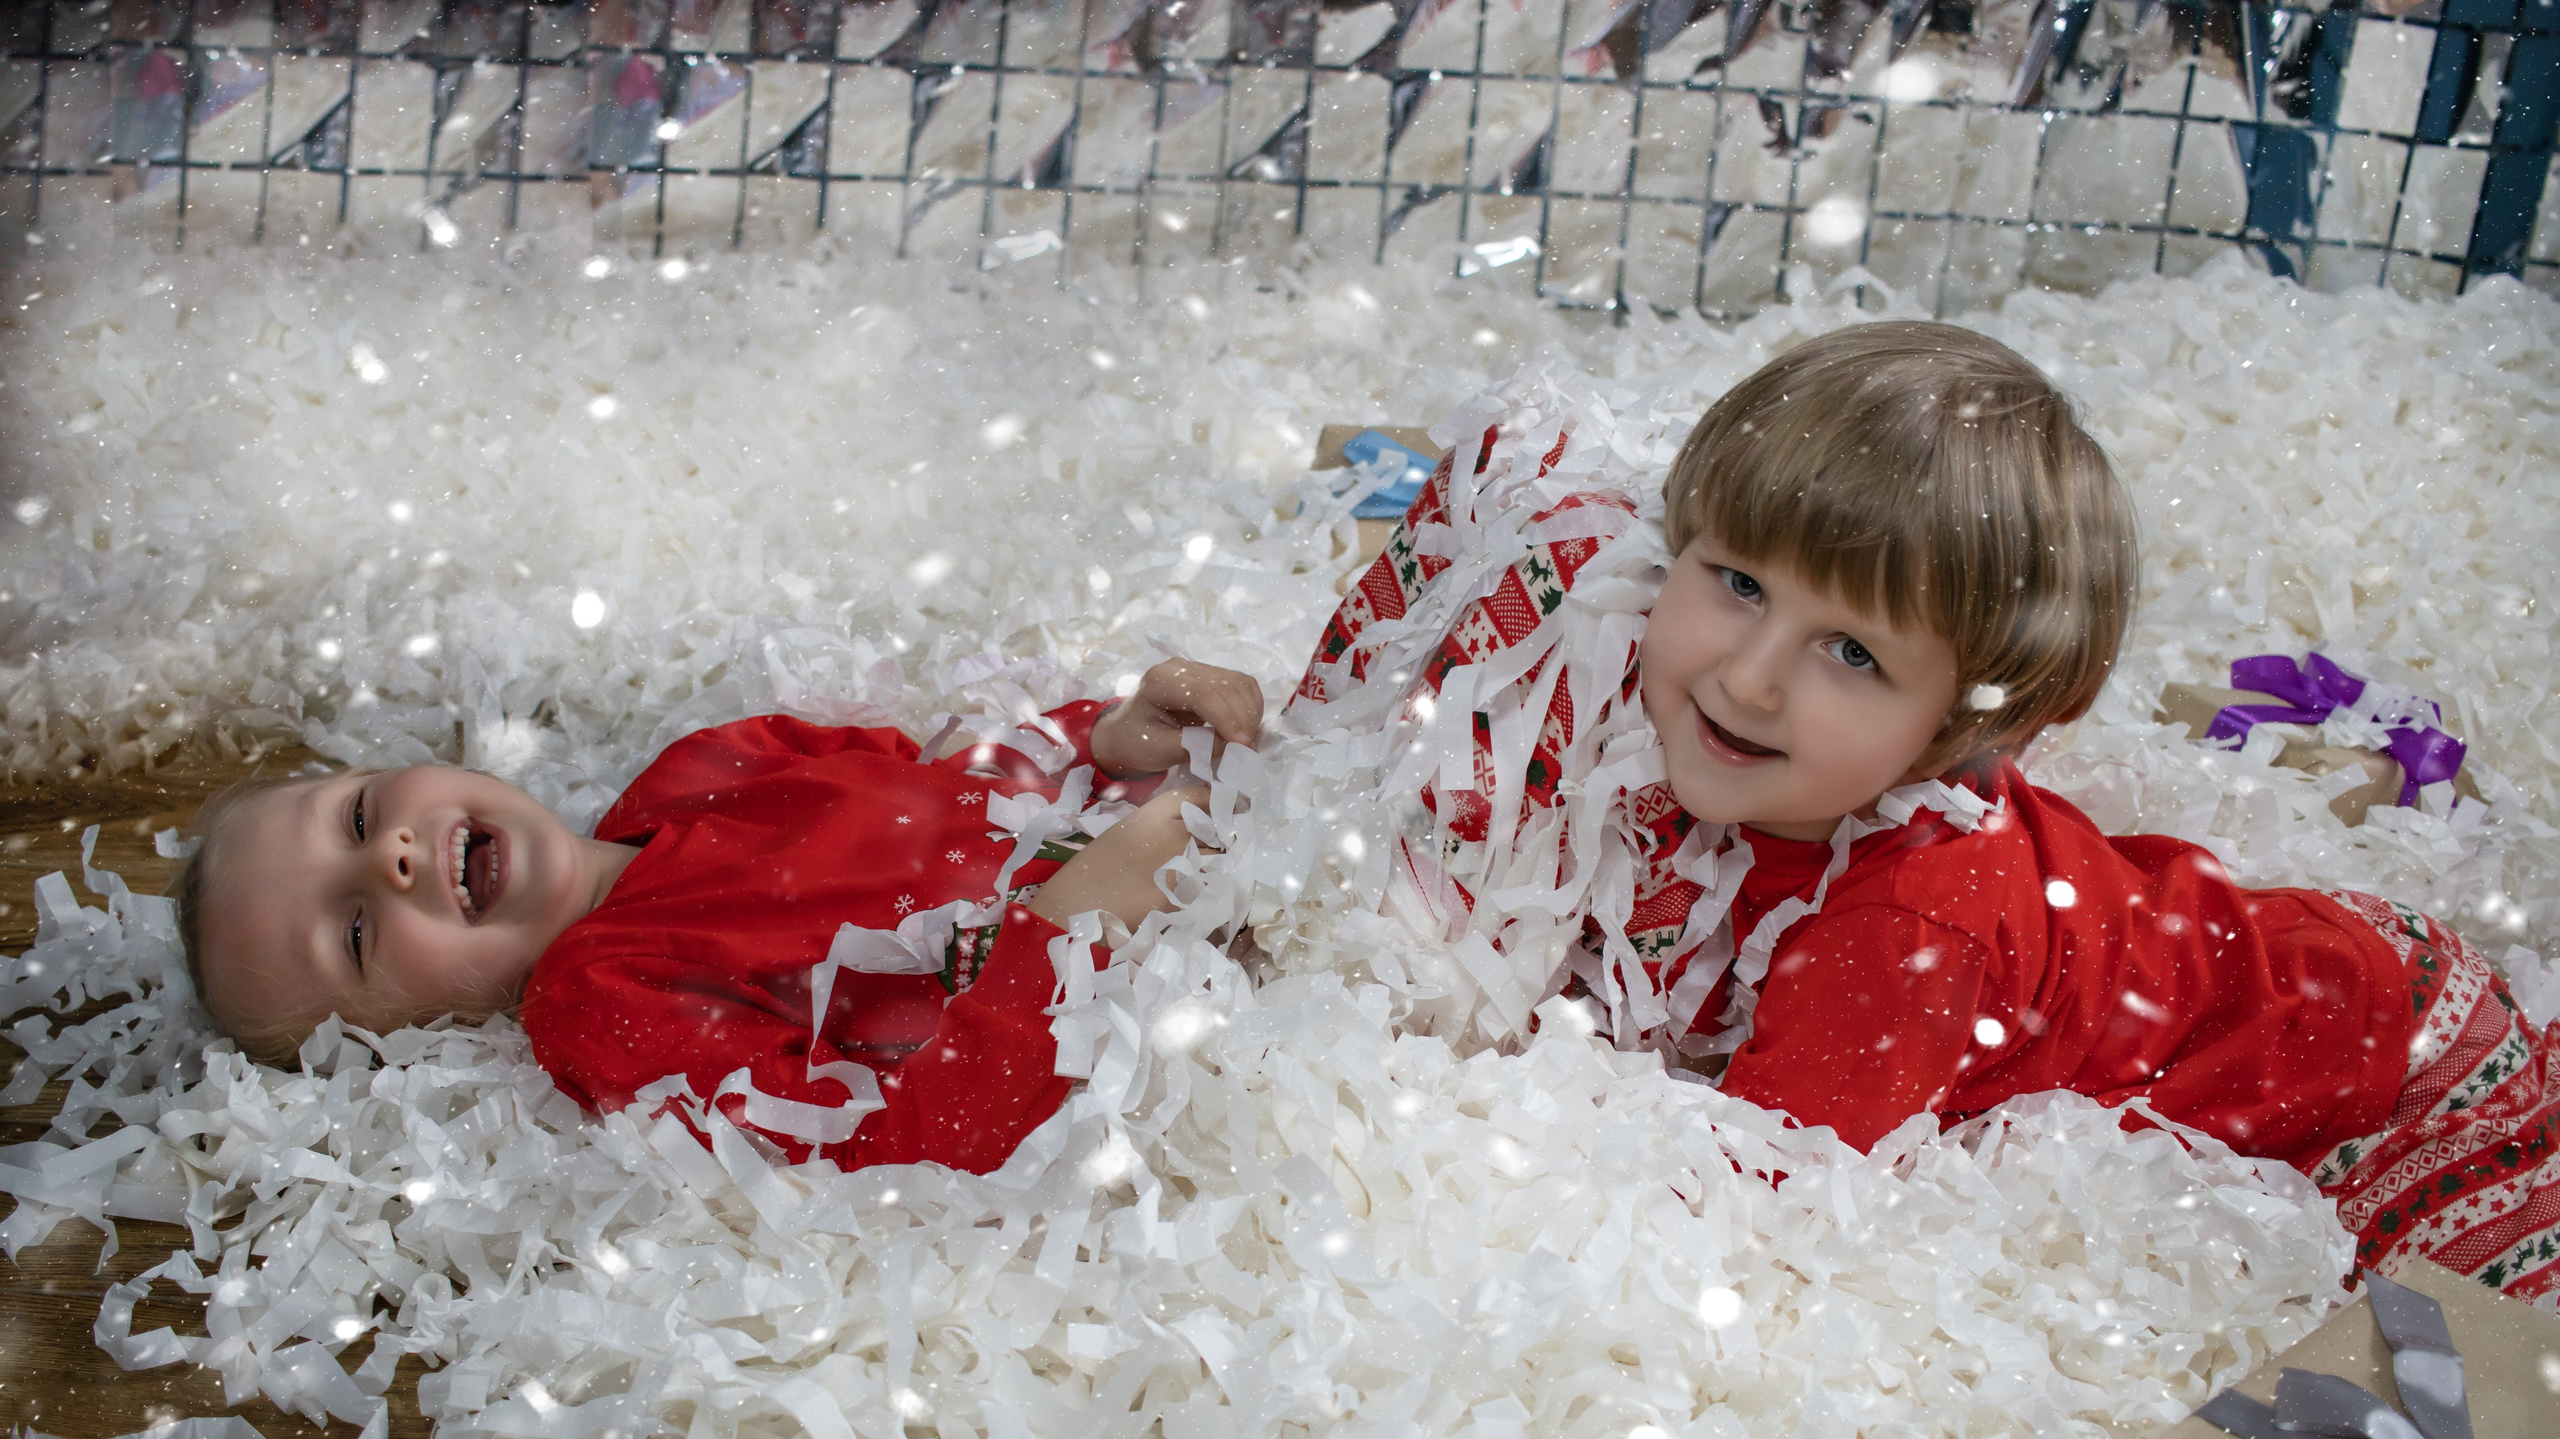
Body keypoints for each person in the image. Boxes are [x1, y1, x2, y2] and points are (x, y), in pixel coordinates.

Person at [1294, 321, 2559, 1307]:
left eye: (1853, 654)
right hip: (2241, 951)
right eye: (1735, 580)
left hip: (2374, 1081)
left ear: (1964, 729)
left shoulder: (1904, 930)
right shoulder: (1679, 716)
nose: (1748, 674)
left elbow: (1745, 1210)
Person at [172, 660, 1264, 1174]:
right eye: (356, 933)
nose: (393, 856)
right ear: (405, 1036)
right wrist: (1080, 928)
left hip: (1222, 834)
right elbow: (885, 1142)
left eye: (361, 816)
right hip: (1184, 1006)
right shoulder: (601, 1004)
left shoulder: (710, 765)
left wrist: (1110, 741)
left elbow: (959, 782)